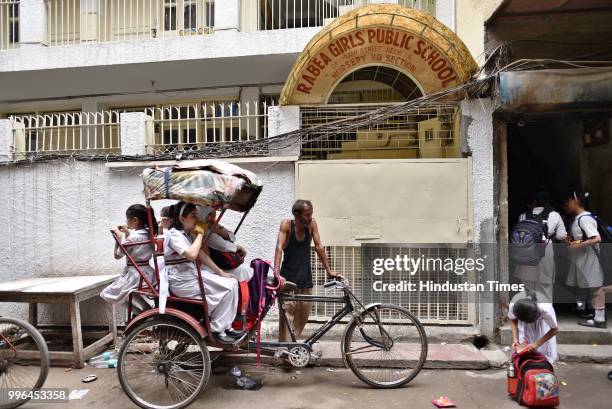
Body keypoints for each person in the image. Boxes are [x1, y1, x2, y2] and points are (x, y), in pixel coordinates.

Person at [162, 201, 241, 344]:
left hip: (189, 277)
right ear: (182, 219)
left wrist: (220, 272)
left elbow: (201, 255)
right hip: (181, 281)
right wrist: (200, 234)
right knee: (228, 288)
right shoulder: (174, 235)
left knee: (232, 283)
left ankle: (225, 326)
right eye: (193, 216)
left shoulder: (186, 234)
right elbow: (192, 254)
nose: (197, 220)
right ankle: (217, 329)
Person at [274, 199, 339, 341]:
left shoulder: (311, 225)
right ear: (296, 214)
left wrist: (329, 271)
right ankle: (286, 351)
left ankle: (292, 348)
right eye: (306, 215)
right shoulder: (287, 225)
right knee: (286, 318)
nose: (309, 218)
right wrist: (277, 274)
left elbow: (319, 247)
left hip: (305, 280)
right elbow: (279, 248)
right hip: (288, 280)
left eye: (311, 214)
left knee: (302, 317)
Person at [101, 204, 157, 312]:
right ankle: (145, 307)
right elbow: (130, 251)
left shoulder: (133, 237)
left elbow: (118, 255)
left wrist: (118, 238)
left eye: (127, 219)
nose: (126, 221)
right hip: (147, 273)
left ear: (135, 220)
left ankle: (138, 312)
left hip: (135, 275)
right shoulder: (149, 234)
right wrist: (127, 233)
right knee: (126, 292)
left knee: (107, 294)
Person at [514, 190, 567, 302]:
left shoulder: (523, 215)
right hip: (545, 250)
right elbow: (562, 236)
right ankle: (545, 315)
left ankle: (529, 314)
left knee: (528, 287)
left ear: (534, 201)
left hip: (525, 252)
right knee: (545, 286)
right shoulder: (554, 214)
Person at [564, 191, 605, 328]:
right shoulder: (579, 218)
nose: (567, 204)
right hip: (583, 257)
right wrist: (573, 243)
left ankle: (600, 319)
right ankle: (590, 311)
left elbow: (596, 238)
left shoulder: (585, 219)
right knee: (587, 285)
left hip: (590, 257)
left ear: (577, 202)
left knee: (595, 287)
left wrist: (578, 246)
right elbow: (584, 238)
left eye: (569, 200)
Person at [196, 205, 252, 282]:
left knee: (246, 270)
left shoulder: (208, 227)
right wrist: (238, 247)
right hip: (207, 268)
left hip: (214, 265)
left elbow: (232, 237)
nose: (213, 218)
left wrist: (219, 229)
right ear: (203, 214)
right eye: (210, 215)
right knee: (245, 272)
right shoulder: (200, 229)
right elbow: (223, 246)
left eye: (214, 214)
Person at [508, 291, 559, 363]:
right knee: (524, 352)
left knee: (543, 355)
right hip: (526, 317)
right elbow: (513, 319)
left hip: (542, 324)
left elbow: (554, 329)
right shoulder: (514, 305)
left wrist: (537, 344)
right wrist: (515, 339)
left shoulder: (546, 310)